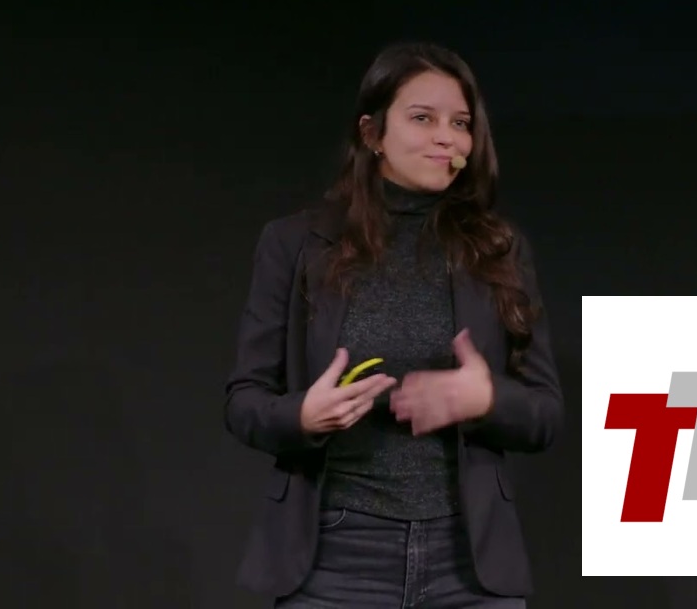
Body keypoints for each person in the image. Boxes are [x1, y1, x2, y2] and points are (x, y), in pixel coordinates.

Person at [223, 41, 564, 608]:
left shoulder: (498, 249)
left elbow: (545, 414)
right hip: (335, 559)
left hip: (468, 567)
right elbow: (244, 401)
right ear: (372, 133)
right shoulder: (294, 244)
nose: (447, 138)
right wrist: (303, 415)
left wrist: (485, 399)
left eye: (460, 123)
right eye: (423, 118)